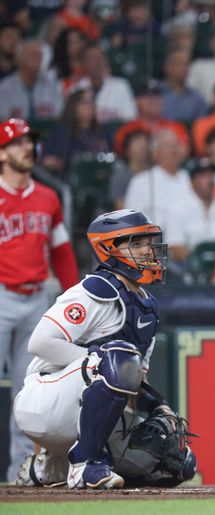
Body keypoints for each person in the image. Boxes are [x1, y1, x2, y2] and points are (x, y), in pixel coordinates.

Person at [12, 209, 197, 489]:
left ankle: (50, 468)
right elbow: (39, 343)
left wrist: (157, 405)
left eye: (147, 241)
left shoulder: (146, 306)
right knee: (120, 358)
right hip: (45, 401)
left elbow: (134, 382)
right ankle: (84, 463)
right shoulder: (93, 290)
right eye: (135, 243)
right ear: (108, 249)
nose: (148, 250)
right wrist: (102, 360)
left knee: (174, 465)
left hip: (89, 415)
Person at [0, 118, 79, 483]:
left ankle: (21, 472)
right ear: (2, 153)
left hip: (35, 302)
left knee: (28, 392)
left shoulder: (48, 197)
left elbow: (61, 252)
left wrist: (75, 299)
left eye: (29, 142)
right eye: (17, 143)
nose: (26, 148)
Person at [163, 158, 215, 264]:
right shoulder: (177, 209)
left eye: (211, 175)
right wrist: (199, 263)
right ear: (192, 182)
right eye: (203, 176)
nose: (209, 180)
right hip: (191, 271)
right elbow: (175, 247)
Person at [124, 128, 193, 230]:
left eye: (176, 145)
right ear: (155, 153)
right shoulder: (140, 182)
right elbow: (132, 221)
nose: (173, 150)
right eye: (167, 146)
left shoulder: (190, 178)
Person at [40, 87, 113, 174]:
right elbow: (47, 160)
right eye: (84, 103)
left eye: (91, 103)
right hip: (71, 179)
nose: (89, 106)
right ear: (74, 106)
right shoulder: (62, 131)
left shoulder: (103, 131)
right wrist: (64, 164)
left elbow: (113, 159)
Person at [113, 79, 190, 157]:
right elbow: (121, 156)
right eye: (147, 96)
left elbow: (183, 152)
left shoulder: (175, 127)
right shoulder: (127, 130)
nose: (153, 100)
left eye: (157, 95)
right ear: (137, 101)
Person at [72, 43, 137, 123]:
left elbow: (130, 118)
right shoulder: (77, 88)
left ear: (105, 61)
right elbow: (71, 120)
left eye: (99, 58)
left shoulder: (121, 86)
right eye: (92, 59)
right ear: (84, 64)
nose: (97, 62)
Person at [0, 40, 63, 121]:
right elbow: (2, 123)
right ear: (19, 59)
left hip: (47, 133)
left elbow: (60, 118)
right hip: (14, 133)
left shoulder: (52, 87)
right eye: (32, 55)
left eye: (39, 56)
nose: (36, 59)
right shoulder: (4, 89)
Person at [159, 49, 208, 124]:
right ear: (167, 67)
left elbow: (201, 125)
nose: (183, 68)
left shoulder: (197, 99)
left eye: (186, 64)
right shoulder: (155, 94)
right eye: (178, 64)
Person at [109, 129, 151, 210]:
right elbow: (120, 210)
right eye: (137, 142)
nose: (143, 145)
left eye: (145, 141)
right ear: (127, 151)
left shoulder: (156, 174)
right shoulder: (121, 178)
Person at [49, 27, 86, 93]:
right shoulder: (56, 72)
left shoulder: (89, 68)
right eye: (71, 43)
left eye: (78, 41)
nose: (77, 45)